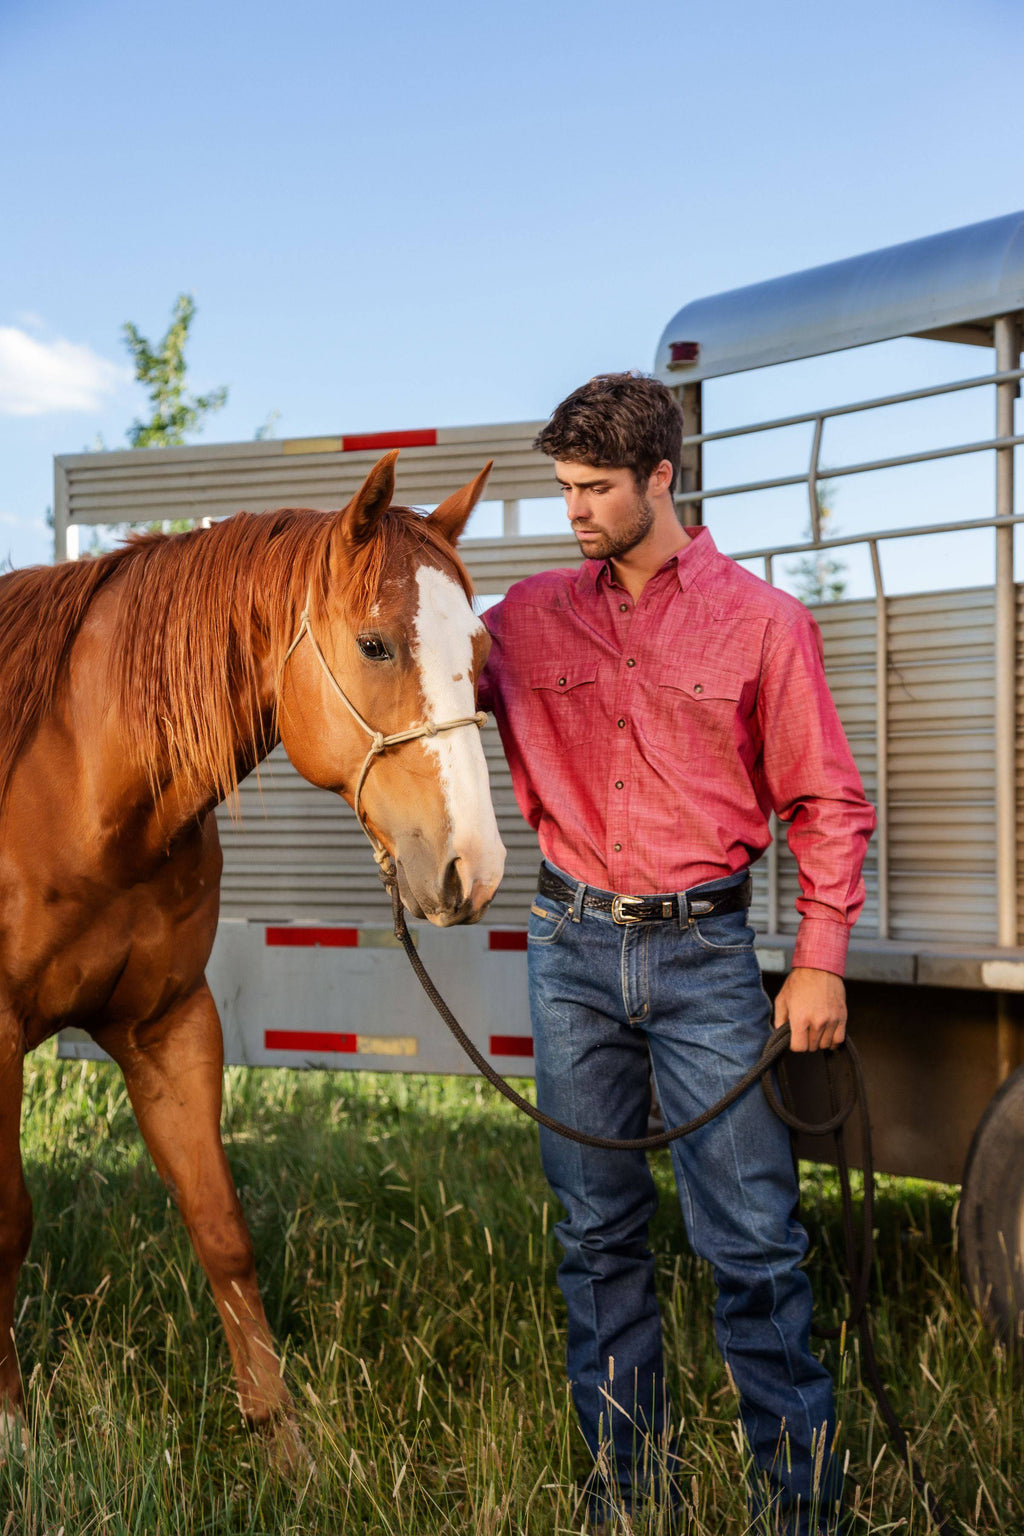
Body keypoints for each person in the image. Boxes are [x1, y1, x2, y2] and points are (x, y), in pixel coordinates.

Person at [478, 373, 875, 1535]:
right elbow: (402, 664)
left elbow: (826, 801)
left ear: (661, 477)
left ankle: (797, 1506)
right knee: (594, 1238)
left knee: (752, 1242)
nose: (574, 510)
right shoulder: (521, 620)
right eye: (564, 487)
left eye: (595, 488)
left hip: (704, 955)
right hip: (567, 948)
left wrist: (820, 956)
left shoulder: (763, 623)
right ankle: (625, 1496)